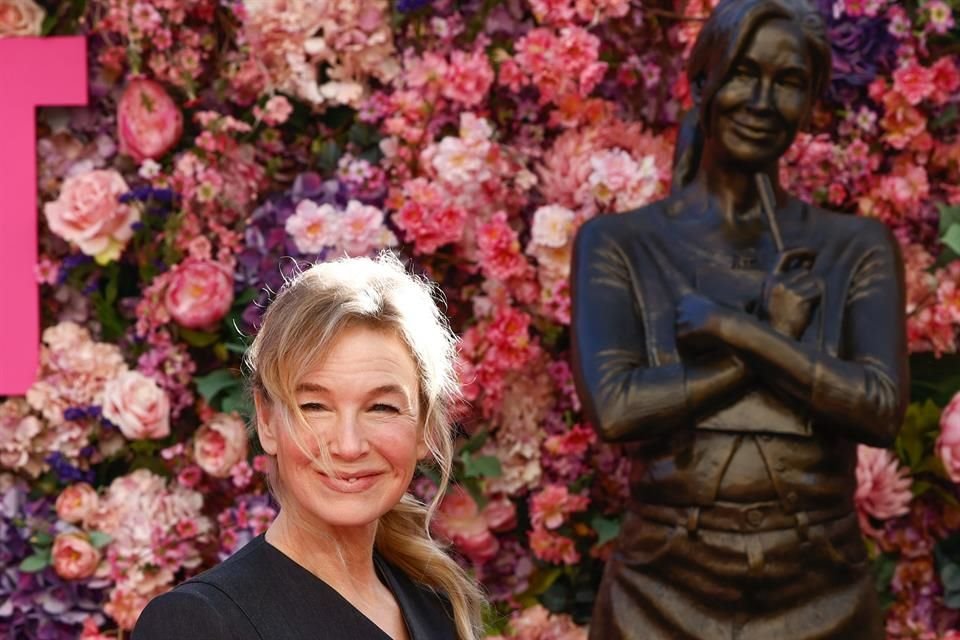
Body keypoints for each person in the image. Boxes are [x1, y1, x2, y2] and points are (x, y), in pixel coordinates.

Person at [570, 0, 907, 638]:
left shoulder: (856, 247)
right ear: (703, 84)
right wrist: (774, 345)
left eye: (788, 82)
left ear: (809, 104)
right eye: (744, 73)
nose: (762, 101)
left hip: (823, 590)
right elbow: (618, 409)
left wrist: (740, 332)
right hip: (658, 592)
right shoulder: (620, 244)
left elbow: (879, 410)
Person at [133, 254, 483, 640]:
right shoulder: (198, 623)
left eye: (381, 407)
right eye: (315, 406)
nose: (349, 446)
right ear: (267, 420)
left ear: (424, 428)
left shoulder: (437, 606)